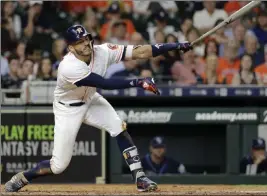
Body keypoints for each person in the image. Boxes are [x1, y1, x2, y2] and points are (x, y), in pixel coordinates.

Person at [5, 24, 192, 192]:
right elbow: (105, 83)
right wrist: (138, 81)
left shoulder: (103, 51)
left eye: (86, 38)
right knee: (58, 166)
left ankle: (140, 178)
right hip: (68, 108)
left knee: (119, 127)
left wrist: (175, 46)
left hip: (90, 99)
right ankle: (24, 177)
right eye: (79, 42)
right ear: (71, 47)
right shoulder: (68, 66)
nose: (85, 44)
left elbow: (140, 52)